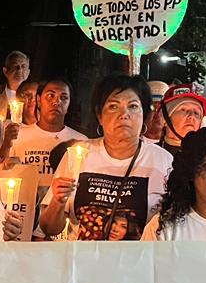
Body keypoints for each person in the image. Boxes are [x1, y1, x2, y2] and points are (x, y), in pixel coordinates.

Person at [40, 74, 173, 240]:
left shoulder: (163, 161)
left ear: (144, 114)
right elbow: (49, 228)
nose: (124, 114)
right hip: (83, 256)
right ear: (99, 116)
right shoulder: (78, 154)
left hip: (139, 256)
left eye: (133, 106)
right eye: (113, 106)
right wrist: (58, 201)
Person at [10, 78, 85, 188]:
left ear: (69, 105)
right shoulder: (17, 136)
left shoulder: (81, 142)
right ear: (39, 101)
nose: (56, 102)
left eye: (64, 98)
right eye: (50, 96)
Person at [158, 83, 206, 157]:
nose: (192, 116)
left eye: (196, 113)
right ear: (165, 118)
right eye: (183, 109)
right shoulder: (149, 155)